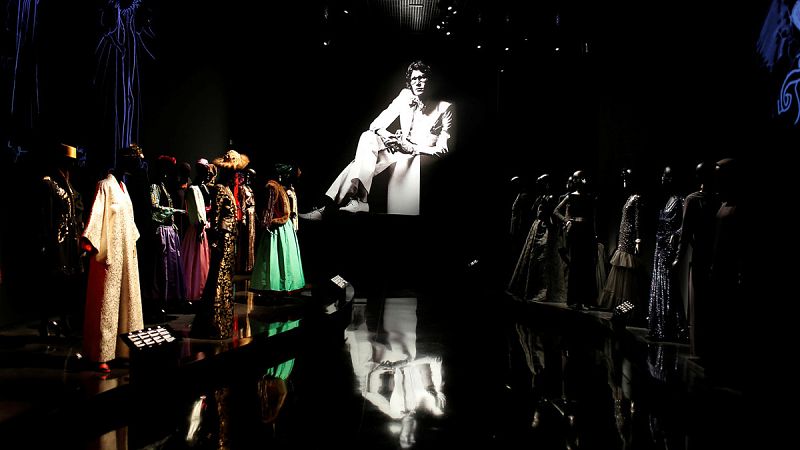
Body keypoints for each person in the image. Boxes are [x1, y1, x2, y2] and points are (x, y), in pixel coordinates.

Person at [299, 60, 454, 219]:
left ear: (430, 79)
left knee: (358, 163)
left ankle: (328, 209)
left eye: (422, 78)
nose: (418, 82)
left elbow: (443, 148)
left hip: (416, 153)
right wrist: (390, 137)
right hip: (397, 147)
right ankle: (360, 201)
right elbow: (375, 125)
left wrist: (411, 148)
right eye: (414, 79)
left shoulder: (445, 107)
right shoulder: (405, 95)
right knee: (368, 136)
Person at [82, 145, 145, 373]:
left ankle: (124, 349)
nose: (138, 166)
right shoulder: (105, 186)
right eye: (135, 161)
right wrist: (89, 241)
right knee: (107, 302)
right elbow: (97, 215)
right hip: (109, 252)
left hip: (125, 251)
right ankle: (101, 352)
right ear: (125, 160)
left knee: (126, 299)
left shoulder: (124, 189)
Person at [191, 149, 244, 339]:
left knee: (224, 278)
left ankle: (221, 323)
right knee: (218, 278)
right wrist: (215, 241)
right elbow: (216, 216)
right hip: (222, 239)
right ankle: (213, 324)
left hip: (228, 239)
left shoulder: (227, 189)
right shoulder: (221, 189)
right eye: (235, 172)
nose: (237, 176)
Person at [36, 142, 86, 337]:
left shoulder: (69, 184)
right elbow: (44, 214)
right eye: (69, 161)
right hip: (55, 240)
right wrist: (44, 240)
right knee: (51, 282)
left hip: (69, 241)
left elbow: (77, 208)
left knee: (67, 283)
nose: (72, 165)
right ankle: (44, 323)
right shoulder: (49, 183)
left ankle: (64, 320)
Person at [672, 162, 718, 356]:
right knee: (700, 302)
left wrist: (679, 257)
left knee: (708, 303)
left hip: (712, 255)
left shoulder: (715, 199)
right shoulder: (694, 199)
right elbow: (686, 232)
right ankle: (700, 347)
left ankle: (707, 347)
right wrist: (679, 256)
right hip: (702, 254)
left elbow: (686, 233)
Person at [508, 173, 567, 303]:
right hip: (538, 225)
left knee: (543, 257)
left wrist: (548, 222)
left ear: (547, 184)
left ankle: (545, 289)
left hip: (546, 227)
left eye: (541, 183)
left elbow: (551, 214)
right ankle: (533, 287)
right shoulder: (541, 197)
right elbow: (534, 209)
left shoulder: (550, 198)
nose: (538, 186)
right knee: (534, 257)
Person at [598, 168, 648, 313]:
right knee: (620, 268)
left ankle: (627, 307)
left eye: (627, 179)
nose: (625, 182)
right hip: (623, 236)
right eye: (624, 179)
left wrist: (638, 239)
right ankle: (619, 306)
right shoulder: (629, 197)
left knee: (628, 272)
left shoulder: (636, 198)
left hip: (630, 237)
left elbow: (638, 220)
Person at [647, 166, 687, 341]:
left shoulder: (680, 201)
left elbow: (685, 225)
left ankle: (672, 326)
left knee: (668, 285)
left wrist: (675, 235)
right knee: (661, 285)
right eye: (663, 175)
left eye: (667, 175)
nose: (663, 178)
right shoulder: (668, 200)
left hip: (668, 250)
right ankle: (660, 325)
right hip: (660, 248)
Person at [250, 179, 305, 295]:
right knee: (283, 255)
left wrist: (266, 222)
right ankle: (284, 284)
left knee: (274, 255)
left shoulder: (274, 188)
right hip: (283, 226)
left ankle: (275, 285)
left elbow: (269, 208)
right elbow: (270, 207)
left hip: (278, 227)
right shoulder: (277, 188)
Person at [554, 170, 598, 309]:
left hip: (587, 232)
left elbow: (593, 218)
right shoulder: (570, 196)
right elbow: (556, 211)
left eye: (582, 178)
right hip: (576, 232)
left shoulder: (590, 197)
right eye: (578, 178)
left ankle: (587, 300)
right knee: (577, 264)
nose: (581, 181)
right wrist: (566, 221)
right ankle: (576, 300)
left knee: (587, 265)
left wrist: (595, 234)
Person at [181, 159, 212, 303]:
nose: (207, 174)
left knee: (200, 261)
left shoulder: (202, 187)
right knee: (195, 261)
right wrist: (200, 225)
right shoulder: (193, 189)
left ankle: (200, 291)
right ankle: (193, 291)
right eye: (205, 171)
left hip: (201, 228)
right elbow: (196, 212)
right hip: (196, 229)